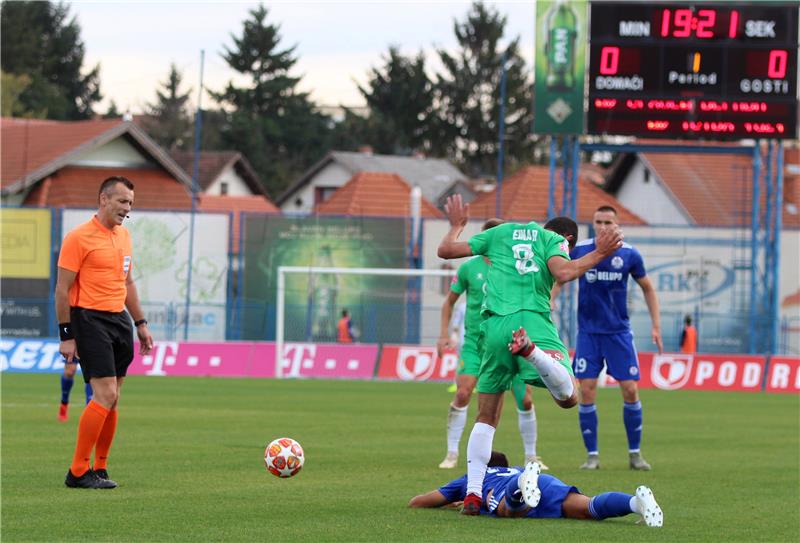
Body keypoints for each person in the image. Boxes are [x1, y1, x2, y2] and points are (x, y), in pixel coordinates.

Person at [437, 194, 624, 515]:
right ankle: (534, 353)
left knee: (486, 417)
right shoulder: (551, 239)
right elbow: (564, 273)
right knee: (570, 398)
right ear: (567, 239)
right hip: (532, 322)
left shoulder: (499, 232)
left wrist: (456, 226)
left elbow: (446, 251)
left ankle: (472, 495)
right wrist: (599, 253)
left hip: (493, 327)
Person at [56, 176, 154, 489]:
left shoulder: (124, 236)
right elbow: (61, 289)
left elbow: (127, 283)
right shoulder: (78, 237)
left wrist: (140, 323)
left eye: (131, 204)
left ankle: (100, 468)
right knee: (105, 394)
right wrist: (66, 335)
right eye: (123, 201)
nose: (127, 209)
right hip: (89, 320)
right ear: (104, 199)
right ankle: (78, 471)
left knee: (114, 399)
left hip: (119, 321)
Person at [436, 219, 547, 471]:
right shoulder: (468, 268)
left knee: (525, 399)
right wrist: (444, 334)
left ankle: (531, 455)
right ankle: (452, 452)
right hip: (476, 345)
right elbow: (448, 303)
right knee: (464, 392)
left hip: (510, 345)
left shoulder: (515, 267)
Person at [570, 205, 663, 471]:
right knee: (586, 390)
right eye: (598, 221)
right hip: (588, 332)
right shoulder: (582, 250)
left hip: (619, 333)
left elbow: (648, 287)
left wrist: (656, 325)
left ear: (617, 224)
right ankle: (593, 456)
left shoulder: (630, 254)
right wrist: (550, 301)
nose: (602, 227)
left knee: (631, 389)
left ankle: (635, 454)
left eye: (608, 222)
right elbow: (560, 277)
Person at [408, 454, 663, 528]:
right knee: (588, 508)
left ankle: (519, 488)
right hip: (544, 482)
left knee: (508, 511)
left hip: (512, 487)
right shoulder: (512, 467)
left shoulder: (473, 478)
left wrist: (451, 500)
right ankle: (635, 503)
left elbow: (418, 502)